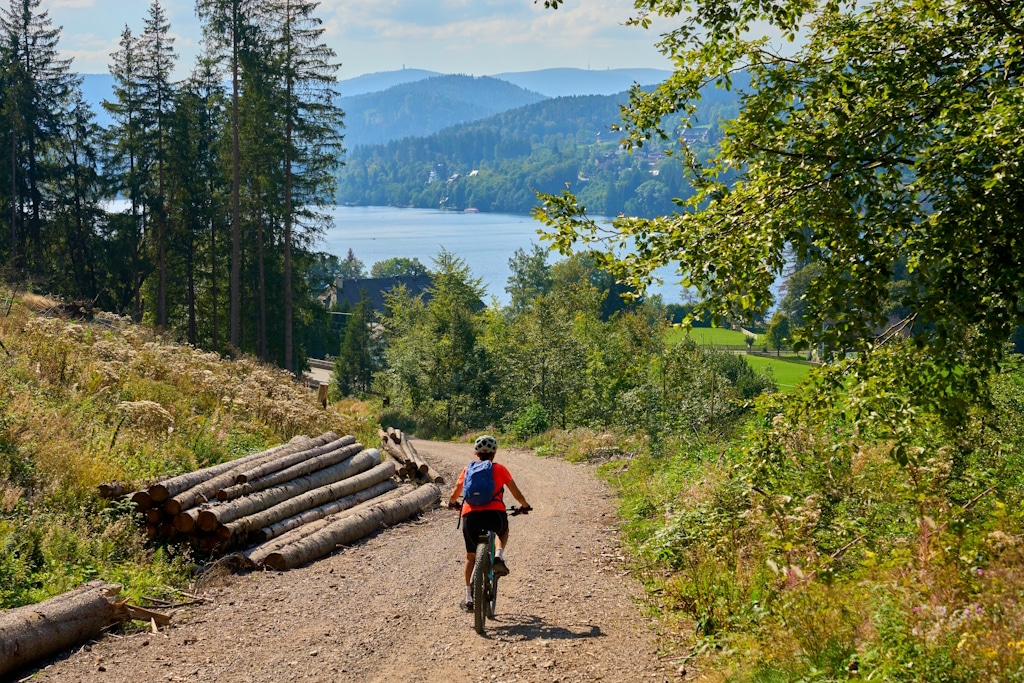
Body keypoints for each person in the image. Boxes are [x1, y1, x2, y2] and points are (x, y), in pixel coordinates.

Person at [448, 434, 531, 611]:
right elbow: (516, 493)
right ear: (493, 454)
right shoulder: (500, 469)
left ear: (477, 454)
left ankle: (469, 597)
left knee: (470, 557)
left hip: (470, 515)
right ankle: (498, 557)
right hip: (495, 512)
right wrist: (524, 506)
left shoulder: (468, 469)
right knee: (502, 531)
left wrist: (453, 503)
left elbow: (456, 491)